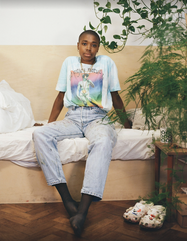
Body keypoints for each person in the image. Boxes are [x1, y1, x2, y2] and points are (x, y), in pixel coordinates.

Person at [33, 30, 131, 236]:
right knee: (40, 135)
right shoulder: (69, 63)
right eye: (85, 44)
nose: (89, 48)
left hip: (98, 118)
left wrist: (127, 122)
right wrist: (50, 125)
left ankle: (83, 210)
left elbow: (115, 96)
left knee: (104, 140)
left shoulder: (107, 63)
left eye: (94, 44)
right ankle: (68, 200)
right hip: (73, 117)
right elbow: (60, 97)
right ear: (78, 45)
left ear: (98, 47)